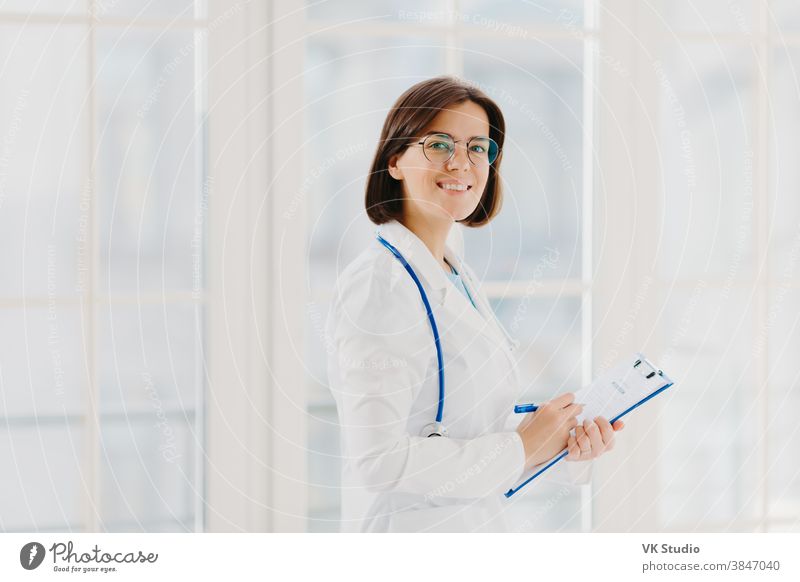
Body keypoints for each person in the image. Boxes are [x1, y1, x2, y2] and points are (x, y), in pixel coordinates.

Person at [325, 76, 624, 533]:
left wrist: (559, 442)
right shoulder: (380, 287)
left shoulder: (451, 271)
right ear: (395, 161)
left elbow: (468, 431)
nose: (461, 163)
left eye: (478, 148)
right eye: (440, 144)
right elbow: (377, 460)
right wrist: (522, 447)